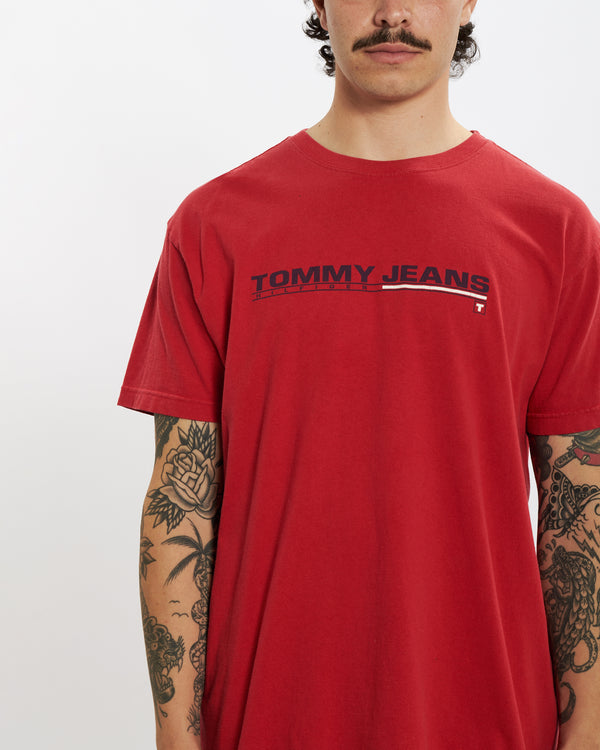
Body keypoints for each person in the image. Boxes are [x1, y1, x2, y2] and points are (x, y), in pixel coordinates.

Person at [118, 1, 600, 748]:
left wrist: (588, 734)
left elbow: (580, 507)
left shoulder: (554, 230)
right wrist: (177, 741)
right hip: (266, 722)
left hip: (492, 720)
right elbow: (181, 507)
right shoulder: (214, 225)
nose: (392, 13)